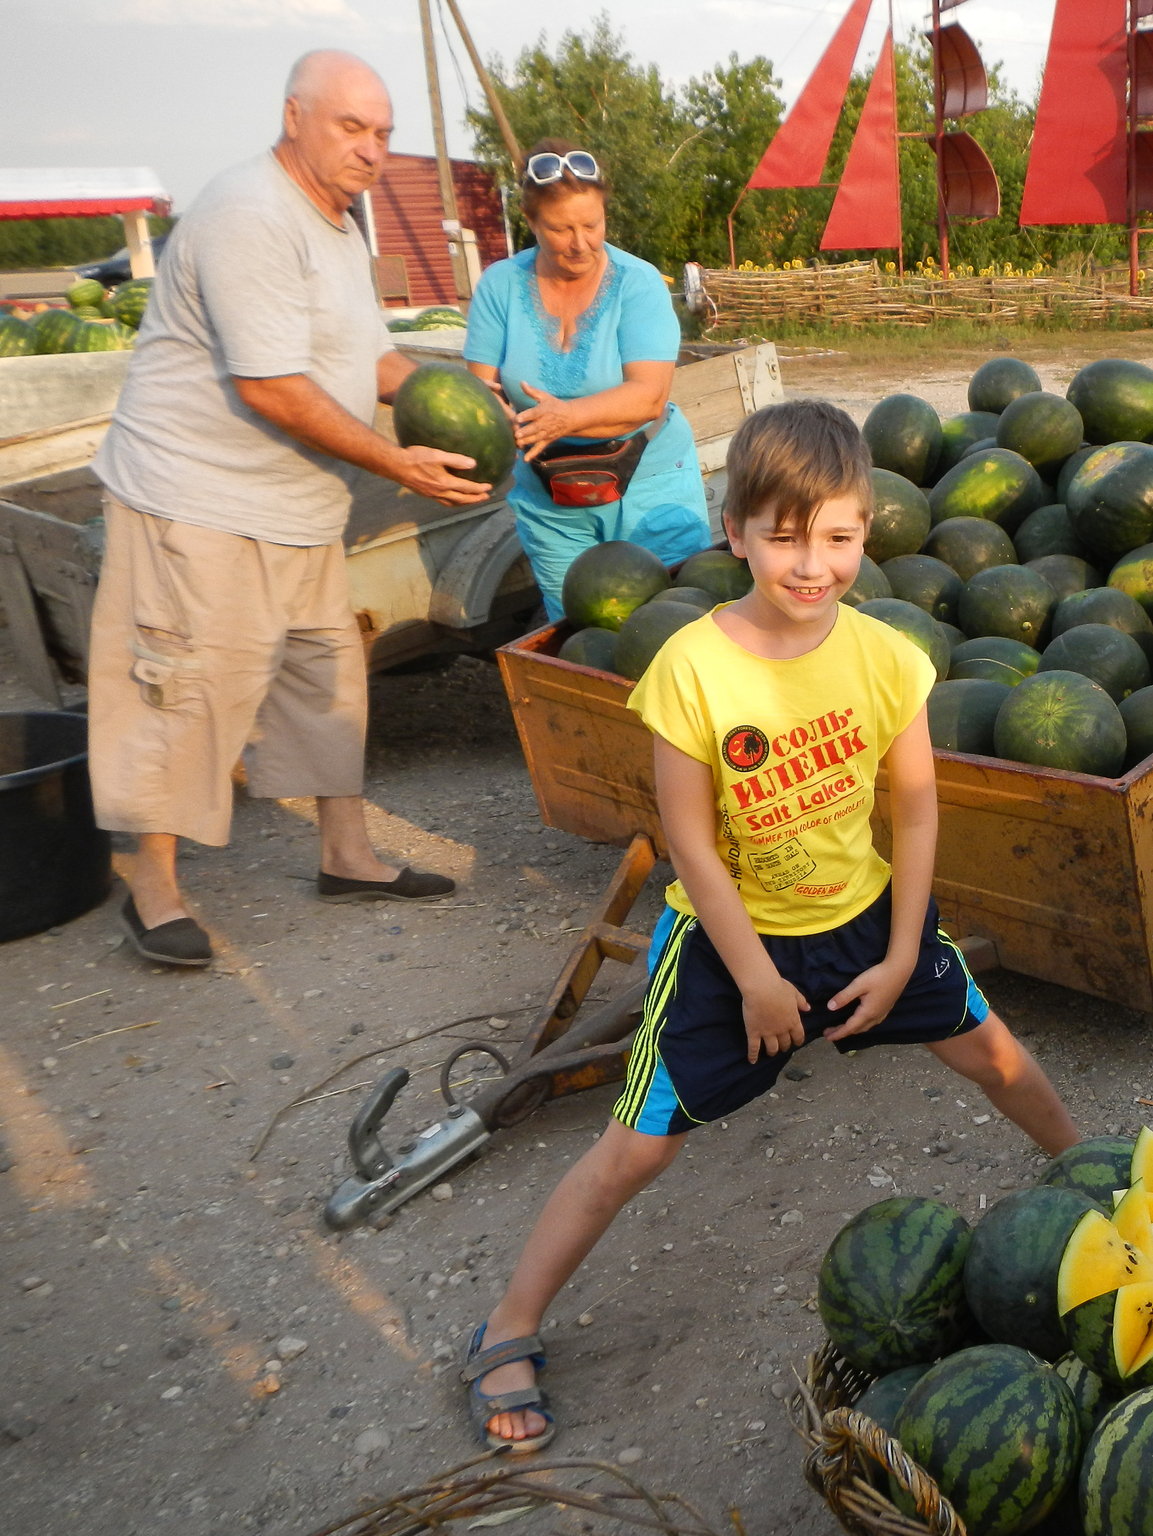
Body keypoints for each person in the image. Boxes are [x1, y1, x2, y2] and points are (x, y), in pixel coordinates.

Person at [459, 400, 1080, 1453]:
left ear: (866, 532)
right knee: (632, 1153)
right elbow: (690, 847)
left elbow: (917, 808)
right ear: (733, 530)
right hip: (724, 947)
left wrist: (898, 955)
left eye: (835, 537)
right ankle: (508, 1324)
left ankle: (1091, 1179)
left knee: (993, 1056)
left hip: (865, 922)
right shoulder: (692, 668)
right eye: (784, 537)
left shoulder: (888, 657)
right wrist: (751, 980)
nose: (810, 565)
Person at [89, 51, 485, 969]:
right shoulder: (248, 213)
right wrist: (397, 461)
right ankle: (153, 891)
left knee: (326, 687)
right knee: (183, 694)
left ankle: (347, 856)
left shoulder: (339, 220)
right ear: (295, 115)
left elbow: (370, 358)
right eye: (354, 128)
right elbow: (270, 385)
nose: (372, 150)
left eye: (384, 134)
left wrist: (457, 396)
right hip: (198, 502)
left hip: (298, 509)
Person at [463, 140, 711, 621]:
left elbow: (649, 397)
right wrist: (488, 415)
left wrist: (566, 416)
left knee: (674, 618)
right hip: (549, 493)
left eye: (591, 225)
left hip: (649, 479)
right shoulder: (500, 285)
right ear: (532, 223)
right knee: (578, 628)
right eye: (560, 228)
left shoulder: (636, 283)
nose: (580, 243)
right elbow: (478, 393)